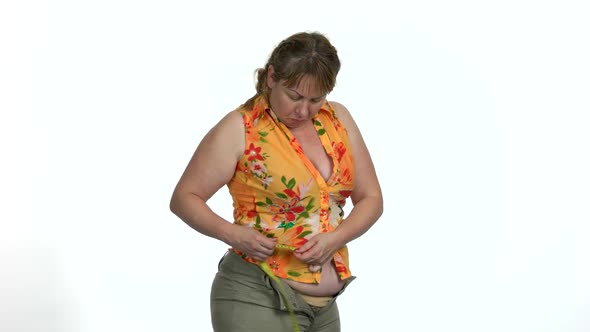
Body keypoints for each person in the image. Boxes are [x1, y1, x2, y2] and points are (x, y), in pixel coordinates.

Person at [169, 31, 383, 332]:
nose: (303, 110)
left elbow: (371, 198)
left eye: (315, 99)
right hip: (256, 294)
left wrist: (335, 239)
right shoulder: (241, 128)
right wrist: (232, 234)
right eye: (294, 96)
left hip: (324, 307)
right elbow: (184, 197)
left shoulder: (338, 120)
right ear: (271, 77)